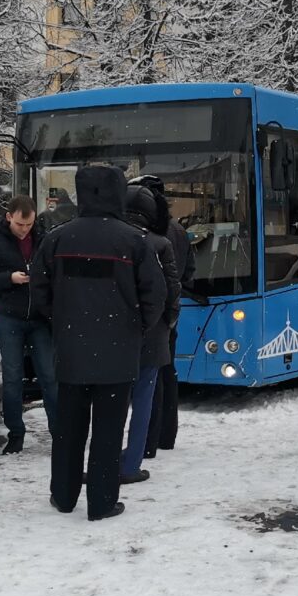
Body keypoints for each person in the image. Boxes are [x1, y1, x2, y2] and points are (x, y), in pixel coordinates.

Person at [32, 164, 164, 522]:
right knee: (108, 430)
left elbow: (39, 291)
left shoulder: (57, 238)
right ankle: (102, 501)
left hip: (71, 350)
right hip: (117, 354)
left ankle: (63, 494)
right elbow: (155, 296)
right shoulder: (134, 240)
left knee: (69, 429)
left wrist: (63, 323)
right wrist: (132, 329)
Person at [0, 194, 58, 455]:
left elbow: (56, 270)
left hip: (39, 318)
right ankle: (16, 433)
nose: (24, 230)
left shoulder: (43, 238)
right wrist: (8, 278)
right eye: (19, 224)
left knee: (49, 377)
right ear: (9, 217)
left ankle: (59, 431)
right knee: (13, 378)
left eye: (28, 225)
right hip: (9, 317)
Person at [128, 175, 192, 459]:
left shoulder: (144, 235)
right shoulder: (177, 230)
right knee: (167, 373)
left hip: (150, 313)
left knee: (147, 380)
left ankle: (148, 440)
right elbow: (188, 272)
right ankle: (167, 435)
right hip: (168, 313)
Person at [120, 185, 181, 483]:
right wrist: (166, 323)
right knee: (145, 397)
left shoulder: (115, 240)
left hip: (117, 333)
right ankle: (133, 460)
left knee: (115, 398)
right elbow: (171, 291)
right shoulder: (159, 243)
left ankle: (107, 455)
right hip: (153, 333)